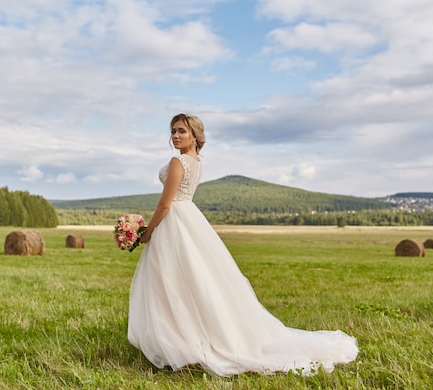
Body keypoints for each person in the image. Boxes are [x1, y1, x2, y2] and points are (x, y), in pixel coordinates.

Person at [127, 113, 358, 376]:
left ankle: (182, 343)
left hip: (175, 221)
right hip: (188, 219)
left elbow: (164, 203)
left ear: (194, 135)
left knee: (173, 283)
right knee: (189, 282)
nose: (175, 136)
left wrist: (147, 232)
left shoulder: (178, 161)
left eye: (181, 131)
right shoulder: (196, 161)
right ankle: (182, 339)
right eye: (173, 131)